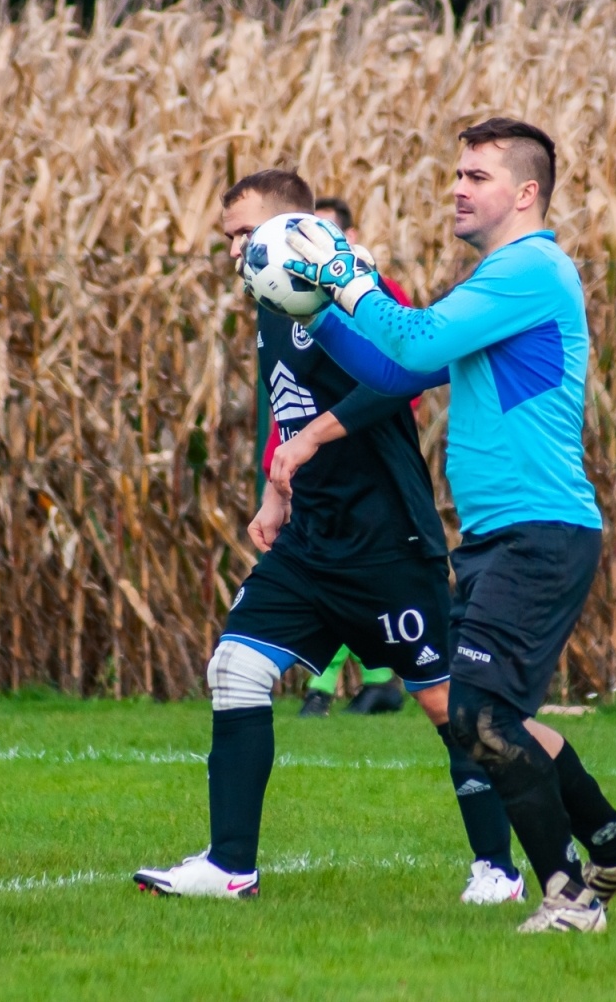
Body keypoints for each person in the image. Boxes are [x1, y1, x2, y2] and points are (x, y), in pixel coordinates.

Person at [285, 118, 616, 933]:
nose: (457, 188)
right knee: (496, 719)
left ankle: (570, 897)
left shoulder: (530, 269)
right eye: (456, 174)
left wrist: (343, 273)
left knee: (477, 719)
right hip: (506, 535)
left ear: (526, 193)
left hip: (540, 532)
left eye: (476, 176)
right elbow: (400, 367)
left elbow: (414, 336)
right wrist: (312, 311)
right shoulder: (500, 277)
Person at [133, 170, 525, 905]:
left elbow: (407, 373)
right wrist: (274, 492)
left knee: (446, 705)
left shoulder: (352, 289)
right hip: (311, 543)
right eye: (227, 239)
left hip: (387, 544)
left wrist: (314, 437)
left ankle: (497, 869)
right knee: (235, 668)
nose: (234, 251)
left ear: (292, 229)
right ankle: (230, 866)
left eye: (244, 235)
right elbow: (283, 406)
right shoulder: (271, 298)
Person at [289, 196, 408, 718]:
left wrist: (351, 428)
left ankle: (324, 687)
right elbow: (288, 390)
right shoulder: (288, 298)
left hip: (364, 465)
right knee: (338, 578)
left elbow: (403, 375)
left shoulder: (378, 295)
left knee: (349, 577)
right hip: (310, 463)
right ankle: (377, 681)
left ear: (349, 238)